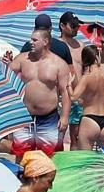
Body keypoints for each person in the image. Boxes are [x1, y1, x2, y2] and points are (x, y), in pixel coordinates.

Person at [7, 27, 72, 156]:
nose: (31, 42)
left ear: (45, 41)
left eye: (34, 40)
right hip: (24, 117)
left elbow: (65, 92)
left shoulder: (59, 64)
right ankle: (20, 176)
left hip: (48, 117)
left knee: (50, 156)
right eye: (31, 39)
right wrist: (5, 63)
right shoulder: (22, 59)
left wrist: (64, 117)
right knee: (21, 154)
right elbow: (5, 76)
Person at [70, 45, 104, 150]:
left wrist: (68, 84)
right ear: (98, 57)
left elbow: (73, 97)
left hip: (89, 119)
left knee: (85, 160)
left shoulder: (87, 78)